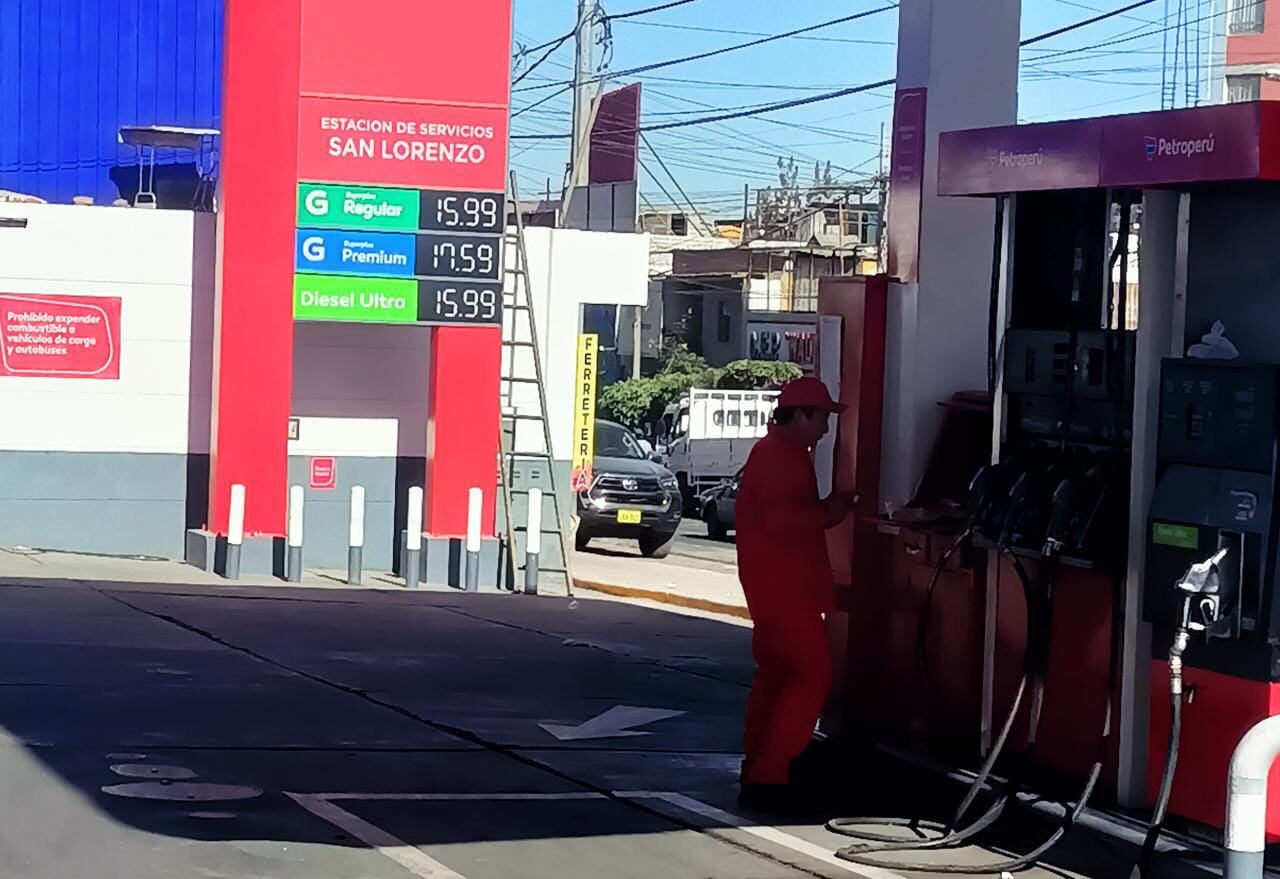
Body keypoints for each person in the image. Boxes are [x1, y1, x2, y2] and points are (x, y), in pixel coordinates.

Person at [735, 376, 855, 813]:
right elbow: (788, 521)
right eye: (822, 417)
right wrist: (833, 511)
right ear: (802, 414)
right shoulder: (783, 457)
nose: (825, 428)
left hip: (770, 592)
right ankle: (771, 774)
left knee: (774, 678)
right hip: (789, 594)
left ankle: (758, 768)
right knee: (811, 677)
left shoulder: (772, 452)